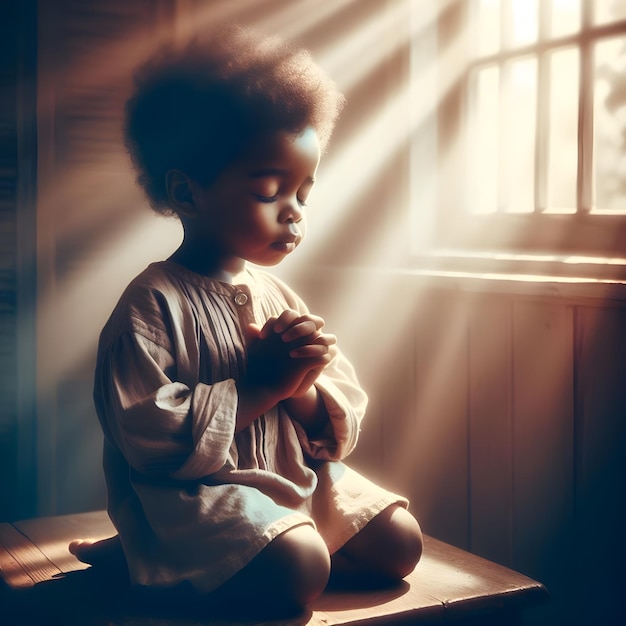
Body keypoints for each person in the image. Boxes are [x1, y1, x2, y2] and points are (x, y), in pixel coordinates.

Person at [70, 24, 423, 619]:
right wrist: (261, 385)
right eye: (270, 190)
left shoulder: (275, 292)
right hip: (197, 497)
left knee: (401, 542)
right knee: (302, 568)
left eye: (304, 194)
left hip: (290, 477)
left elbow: (336, 425)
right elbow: (148, 442)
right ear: (187, 192)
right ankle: (148, 552)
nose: (293, 213)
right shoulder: (150, 306)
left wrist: (305, 386)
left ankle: (240, 556)